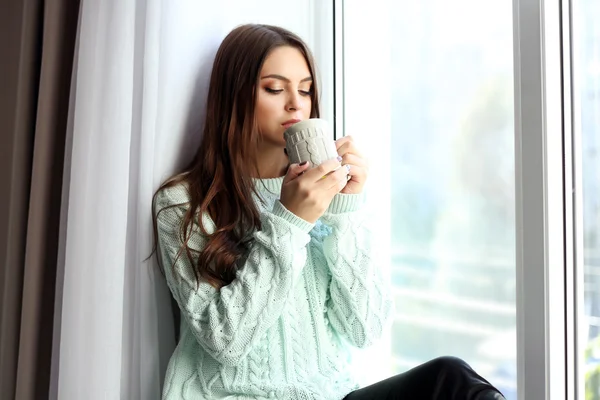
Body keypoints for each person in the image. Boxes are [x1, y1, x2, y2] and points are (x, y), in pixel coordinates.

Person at [152, 23, 506, 400]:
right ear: (233, 96)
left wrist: (345, 212)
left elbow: (365, 329)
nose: (295, 103)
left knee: (450, 379)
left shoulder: (325, 196)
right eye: (275, 88)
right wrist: (290, 220)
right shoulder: (182, 204)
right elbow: (226, 342)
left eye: (304, 89)